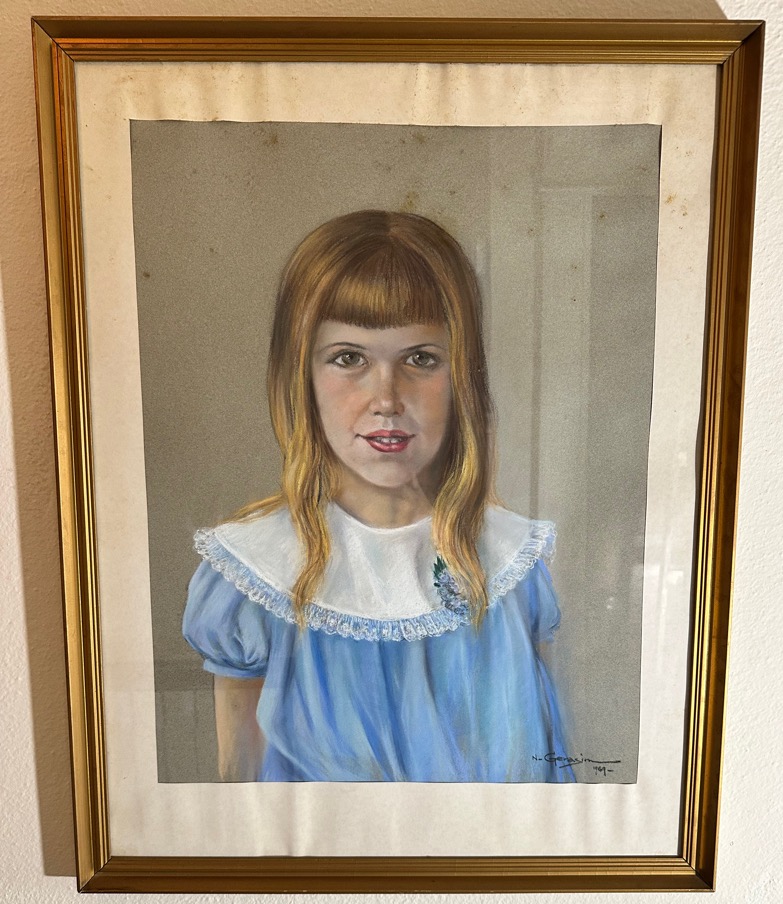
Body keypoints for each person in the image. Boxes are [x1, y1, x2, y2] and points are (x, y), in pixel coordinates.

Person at [183, 209, 574, 783]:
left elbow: (549, 769)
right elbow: (238, 787)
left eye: (421, 359)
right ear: (301, 375)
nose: (386, 399)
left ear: (461, 376)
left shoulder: (512, 561)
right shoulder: (253, 570)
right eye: (349, 359)